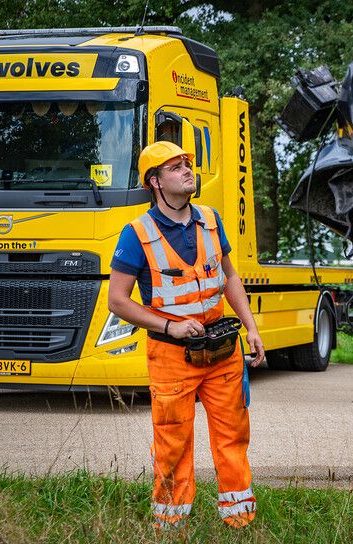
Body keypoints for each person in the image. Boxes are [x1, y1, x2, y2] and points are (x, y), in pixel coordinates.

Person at [108, 140, 265, 530]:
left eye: (187, 164)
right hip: (172, 356)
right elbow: (117, 301)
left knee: (233, 435)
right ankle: (170, 523)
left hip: (223, 350)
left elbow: (230, 277)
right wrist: (169, 326)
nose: (186, 171)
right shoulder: (136, 234)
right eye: (176, 167)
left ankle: (240, 520)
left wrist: (251, 326)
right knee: (173, 441)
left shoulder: (210, 220)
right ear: (155, 181)